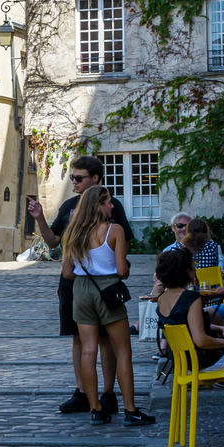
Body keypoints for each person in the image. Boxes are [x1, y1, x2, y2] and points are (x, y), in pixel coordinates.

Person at [27, 154, 132, 415]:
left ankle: (105, 395)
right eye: (72, 177)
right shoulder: (68, 207)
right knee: (81, 339)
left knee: (101, 342)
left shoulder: (112, 205)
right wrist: (39, 218)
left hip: (85, 283)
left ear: (94, 179)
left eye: (78, 178)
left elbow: (120, 244)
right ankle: (84, 392)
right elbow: (53, 242)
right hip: (82, 284)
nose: (73, 181)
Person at [64, 186, 154, 427]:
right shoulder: (114, 230)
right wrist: (117, 267)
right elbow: (122, 271)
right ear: (98, 205)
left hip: (82, 290)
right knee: (123, 350)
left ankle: (95, 409)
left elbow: (66, 272)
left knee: (87, 351)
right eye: (108, 202)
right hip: (108, 289)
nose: (112, 206)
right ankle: (130, 409)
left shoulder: (73, 232)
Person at [150, 248, 224, 378]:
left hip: (181, 362)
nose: (195, 269)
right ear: (187, 272)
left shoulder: (162, 298)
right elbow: (201, 341)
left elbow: (185, 326)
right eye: (193, 266)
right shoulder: (191, 298)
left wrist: (221, 328)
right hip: (201, 361)